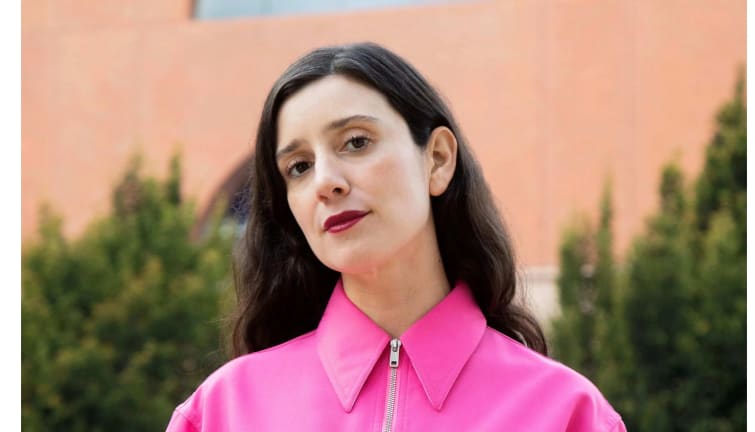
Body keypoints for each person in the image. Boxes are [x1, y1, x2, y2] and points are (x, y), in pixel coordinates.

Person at [166, 42, 626, 431]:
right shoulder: (224, 411)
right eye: (299, 167)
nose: (327, 181)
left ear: (439, 159)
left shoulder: (564, 411)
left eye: (356, 142)